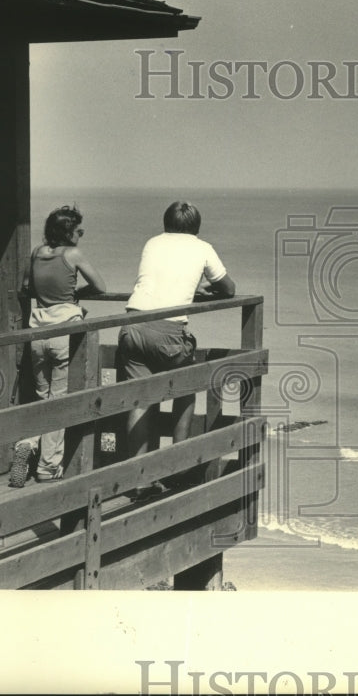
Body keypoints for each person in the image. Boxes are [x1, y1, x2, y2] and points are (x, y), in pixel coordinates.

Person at [116, 201, 235, 501]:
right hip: (168, 331)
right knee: (187, 389)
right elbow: (228, 288)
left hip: (132, 324)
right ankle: (178, 470)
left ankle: (139, 480)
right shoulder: (202, 247)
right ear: (196, 227)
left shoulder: (152, 242)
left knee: (139, 400)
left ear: (166, 223)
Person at [9, 205, 107, 487]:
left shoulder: (37, 253)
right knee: (59, 400)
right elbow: (100, 286)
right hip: (64, 331)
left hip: (37, 330)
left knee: (41, 397)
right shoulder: (72, 254)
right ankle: (48, 467)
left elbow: (26, 287)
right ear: (68, 231)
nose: (81, 234)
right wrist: (73, 295)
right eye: (79, 229)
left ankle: (26, 444)